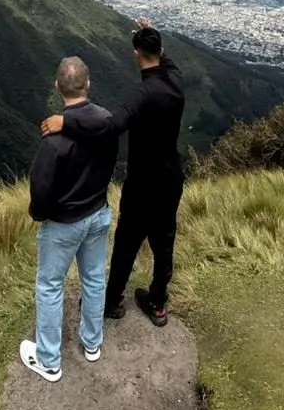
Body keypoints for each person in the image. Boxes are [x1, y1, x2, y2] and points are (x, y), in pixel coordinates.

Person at [40, 18, 184, 327]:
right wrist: (150, 33)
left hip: (143, 182)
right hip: (172, 178)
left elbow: (109, 126)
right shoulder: (175, 77)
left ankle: (112, 299)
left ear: (136, 54)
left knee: (127, 242)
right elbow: (164, 57)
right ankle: (158, 302)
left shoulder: (143, 94)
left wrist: (66, 122)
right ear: (160, 50)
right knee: (164, 241)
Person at [20, 56, 118, 383]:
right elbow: (107, 124)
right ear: (88, 84)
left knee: (49, 285)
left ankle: (49, 360)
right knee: (93, 279)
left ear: (57, 87)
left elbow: (42, 186)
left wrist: (39, 214)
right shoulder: (105, 123)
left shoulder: (54, 136)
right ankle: (92, 345)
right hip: (99, 213)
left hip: (64, 223)